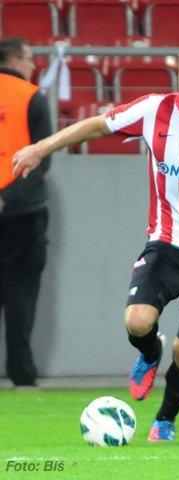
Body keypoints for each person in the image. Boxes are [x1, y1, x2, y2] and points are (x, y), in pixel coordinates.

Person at [12, 38, 179, 442]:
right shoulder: (155, 109)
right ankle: (148, 353)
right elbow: (98, 125)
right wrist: (41, 147)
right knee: (137, 320)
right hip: (167, 242)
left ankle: (165, 420)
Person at [0, 37, 52, 387]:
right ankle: (21, 373)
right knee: (21, 295)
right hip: (24, 213)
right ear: (16, 60)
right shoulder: (33, 96)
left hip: (20, 211)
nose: (33, 65)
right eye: (30, 58)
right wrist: (7, 197)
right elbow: (42, 159)